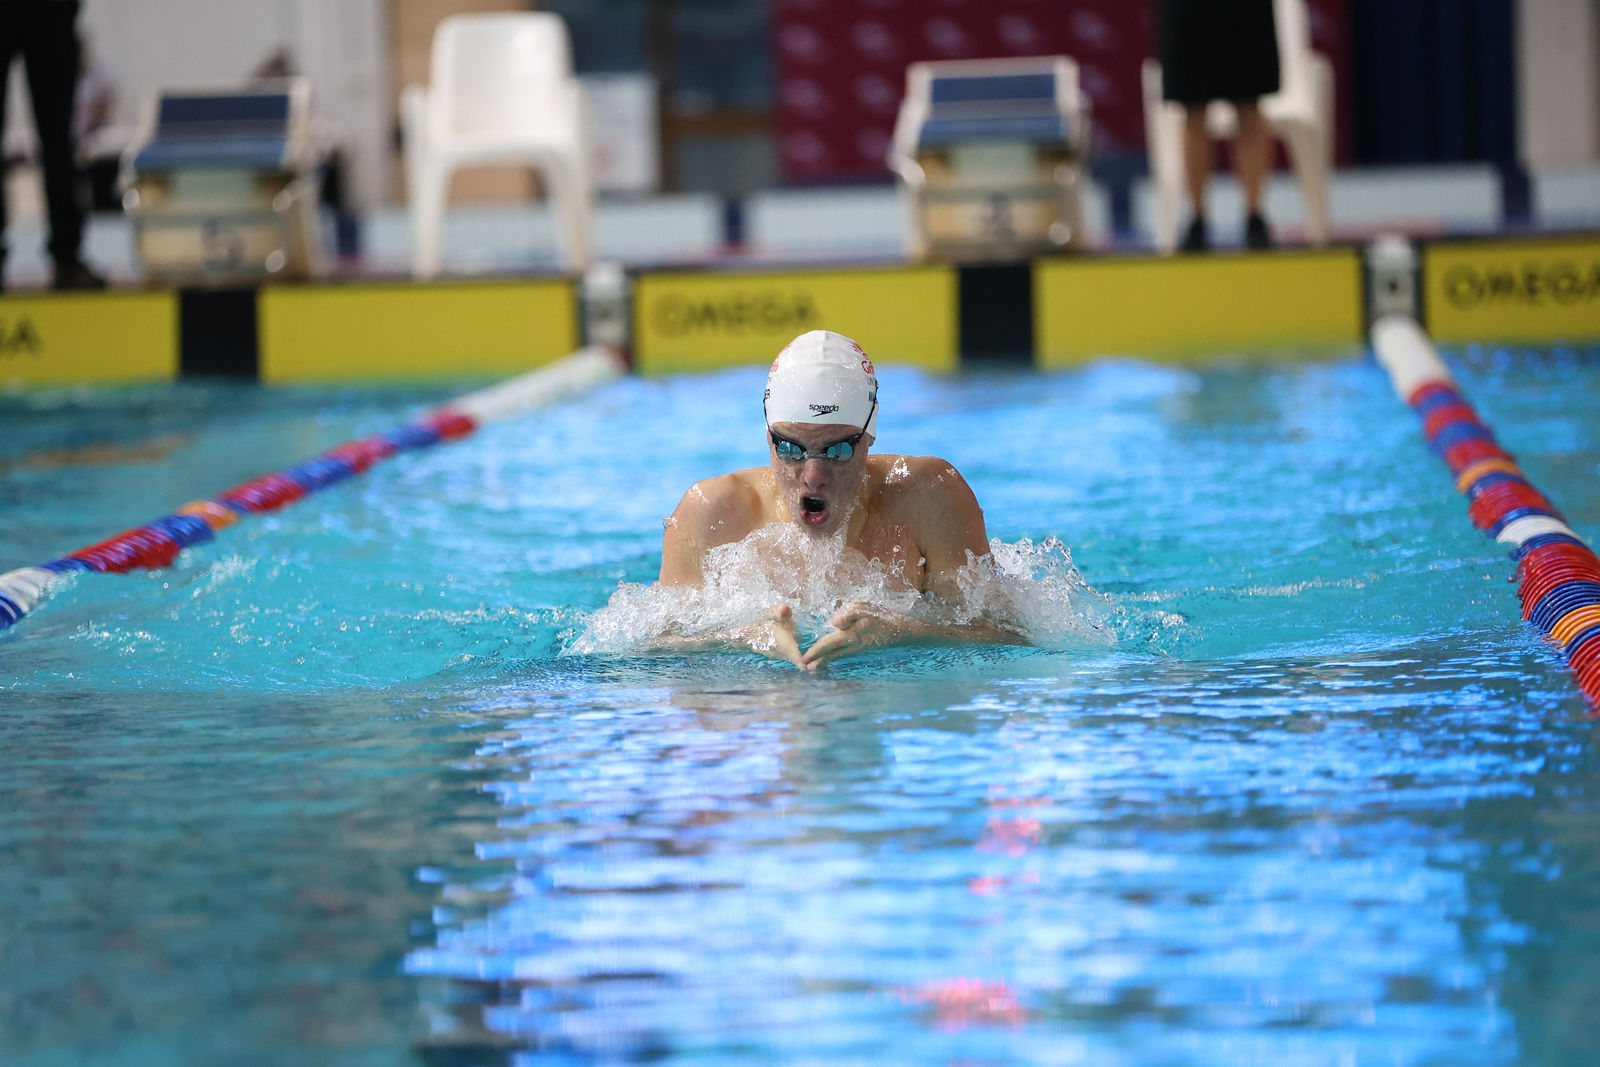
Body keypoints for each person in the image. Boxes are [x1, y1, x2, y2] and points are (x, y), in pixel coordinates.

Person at [658, 329, 1024, 670]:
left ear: (869, 437)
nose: (813, 476)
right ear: (768, 437)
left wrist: (904, 632)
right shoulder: (711, 513)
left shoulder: (930, 498)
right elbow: (654, 651)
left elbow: (1011, 641)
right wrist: (742, 637)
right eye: (790, 447)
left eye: (837, 449)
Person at [1154, 0, 1280, 252]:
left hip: (1243, 11)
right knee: (1192, 106)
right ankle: (1197, 220)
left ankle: (1255, 217)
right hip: (1188, 10)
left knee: (1249, 102)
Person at [0, 0, 104, 289]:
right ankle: (67, 255)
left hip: (49, 9)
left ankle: (67, 255)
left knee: (59, 138)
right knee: (59, 139)